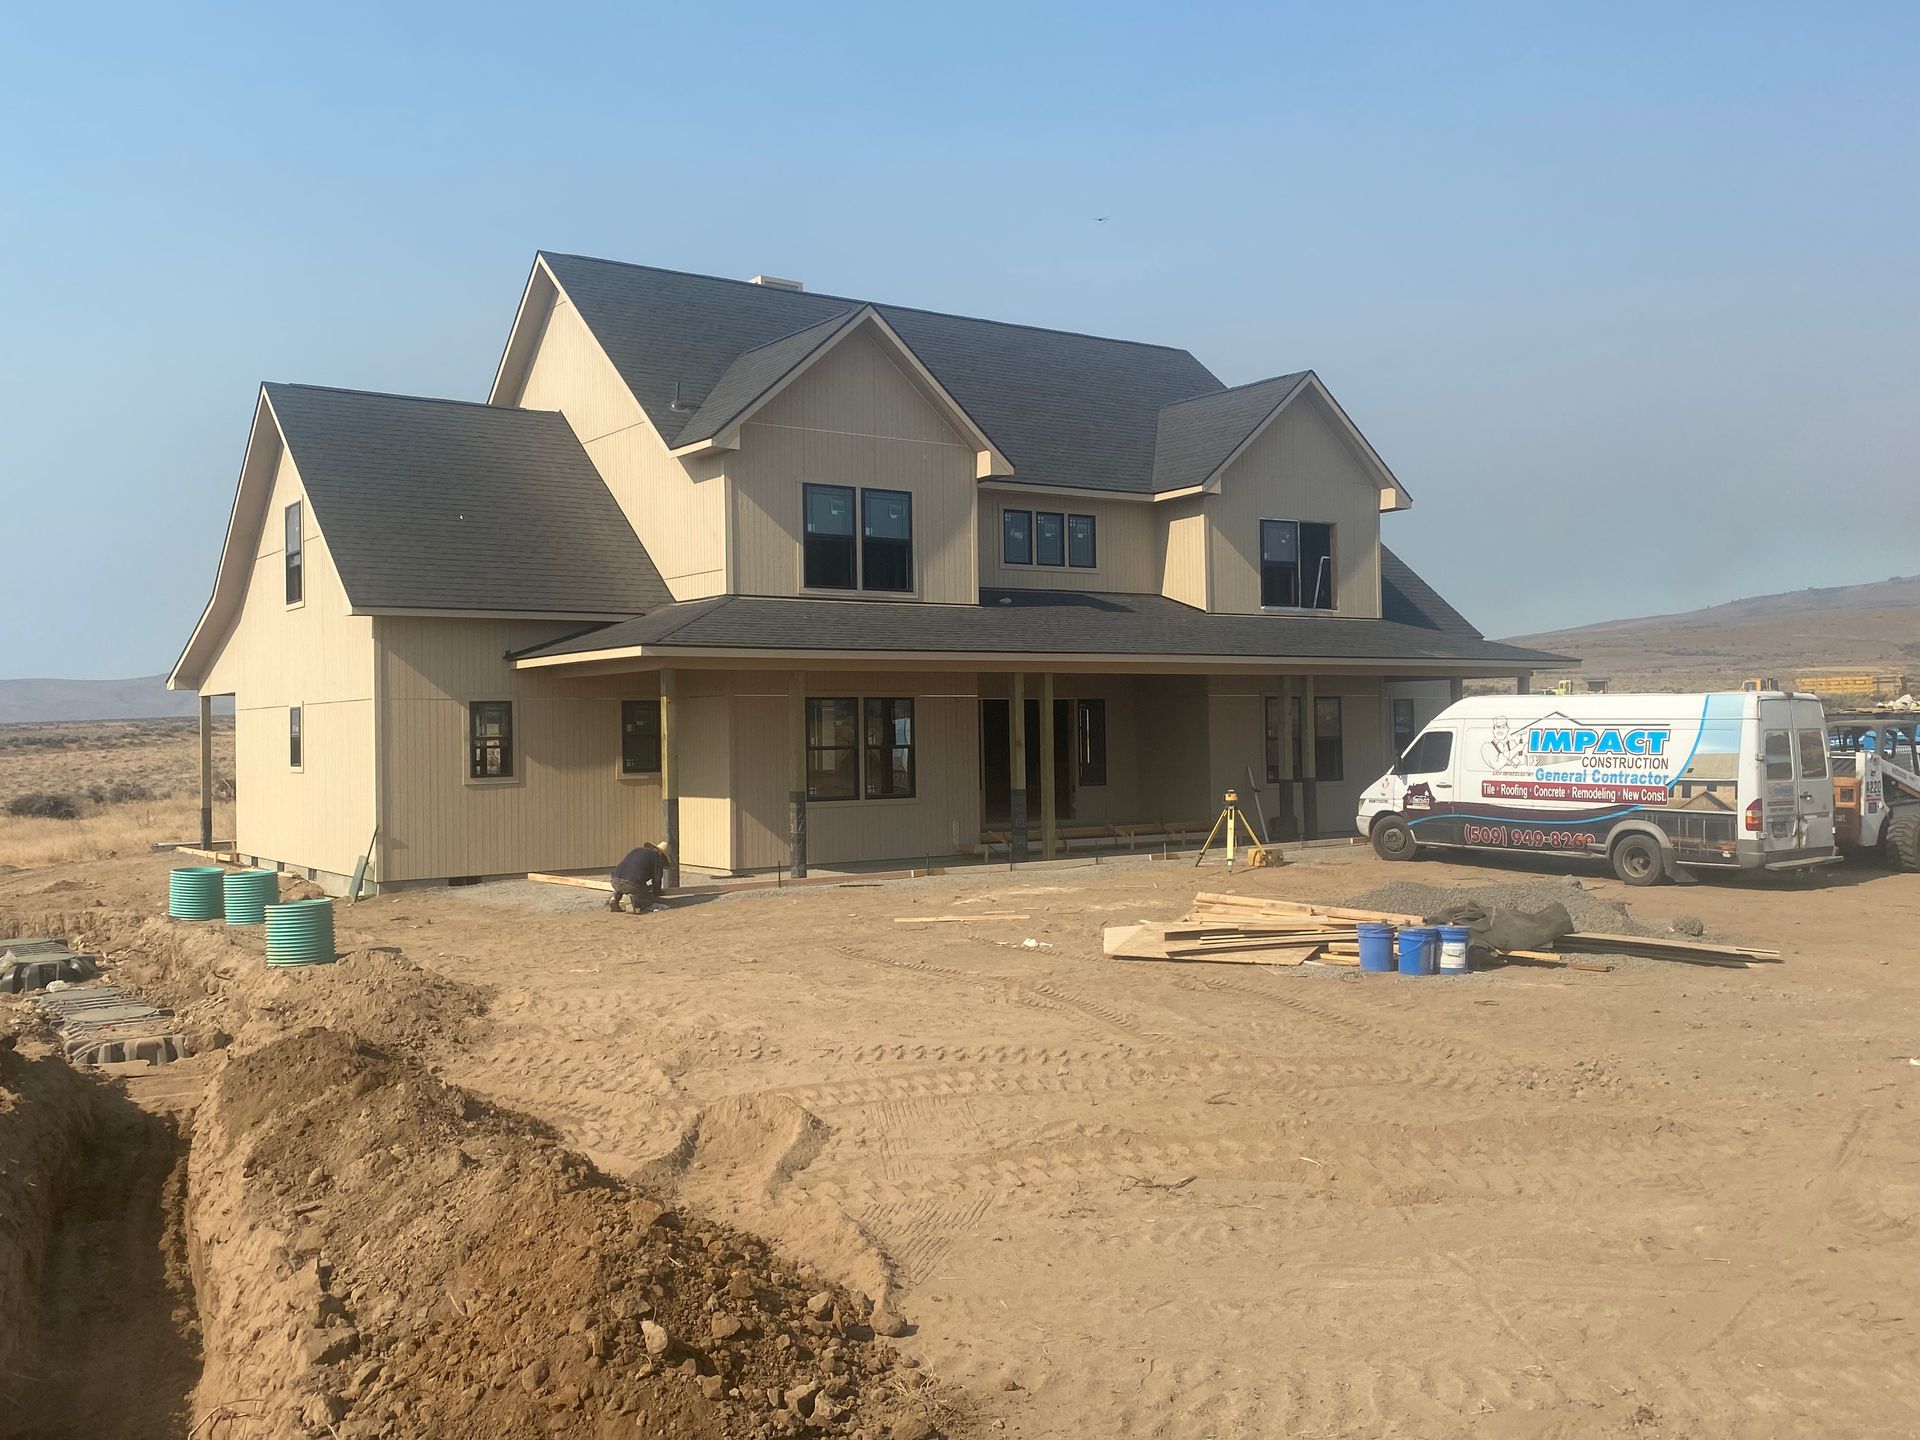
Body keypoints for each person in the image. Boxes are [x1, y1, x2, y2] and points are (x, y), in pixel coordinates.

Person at [609, 841, 669, 913]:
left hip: (615, 880)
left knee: (623, 888)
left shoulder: (637, 850)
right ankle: (633, 900)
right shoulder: (657, 857)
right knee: (645, 898)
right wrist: (657, 893)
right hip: (631, 883)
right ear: (661, 854)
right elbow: (657, 880)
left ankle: (614, 897)